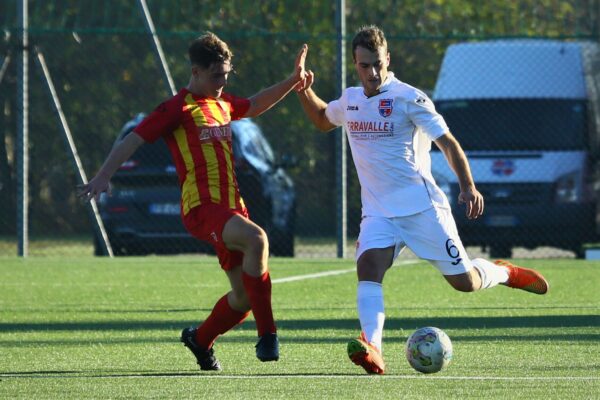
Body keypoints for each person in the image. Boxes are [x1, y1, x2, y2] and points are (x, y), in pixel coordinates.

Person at [295, 25, 549, 375]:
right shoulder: (351, 100)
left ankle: (503, 272)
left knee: (465, 283)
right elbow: (324, 119)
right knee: (368, 269)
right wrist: (304, 91)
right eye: (364, 65)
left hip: (422, 210)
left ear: (388, 60)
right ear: (355, 64)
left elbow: (448, 143)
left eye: (377, 64)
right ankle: (372, 346)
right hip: (379, 214)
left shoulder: (408, 98)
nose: (372, 73)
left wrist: (468, 186)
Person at [78, 32, 307, 371]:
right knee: (258, 238)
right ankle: (268, 335)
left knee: (242, 299)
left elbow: (256, 103)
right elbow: (133, 139)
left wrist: (293, 81)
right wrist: (102, 176)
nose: (223, 81)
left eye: (227, 74)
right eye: (217, 75)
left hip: (231, 208)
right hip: (202, 208)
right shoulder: (177, 107)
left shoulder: (222, 103)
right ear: (196, 71)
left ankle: (200, 340)